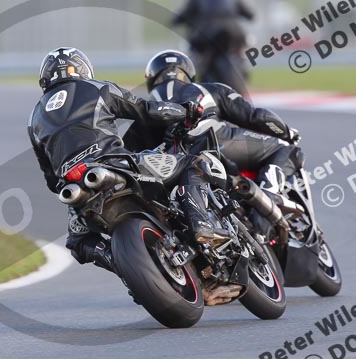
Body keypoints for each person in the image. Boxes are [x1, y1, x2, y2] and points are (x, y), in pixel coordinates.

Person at [28, 47, 228, 272]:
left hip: (75, 187)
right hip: (117, 164)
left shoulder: (34, 117)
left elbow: (51, 179)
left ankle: (121, 264)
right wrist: (185, 112)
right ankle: (201, 224)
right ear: (82, 68)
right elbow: (147, 110)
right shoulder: (97, 88)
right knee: (193, 164)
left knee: (78, 242)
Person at [145, 50, 303, 233]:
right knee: (288, 150)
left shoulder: (144, 107)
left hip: (174, 167)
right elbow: (256, 117)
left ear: (152, 78)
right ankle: (270, 195)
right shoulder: (206, 89)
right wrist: (287, 132)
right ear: (188, 73)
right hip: (217, 141)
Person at [172, 0, 254, 92]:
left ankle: (192, 77)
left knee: (194, 55)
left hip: (205, 35)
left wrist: (177, 21)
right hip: (234, 33)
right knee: (241, 50)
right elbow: (249, 14)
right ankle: (243, 67)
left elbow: (183, 15)